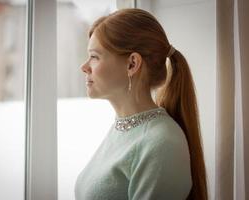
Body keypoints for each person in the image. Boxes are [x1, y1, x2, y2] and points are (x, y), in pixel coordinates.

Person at [75, 8, 207, 200]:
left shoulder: (162, 144)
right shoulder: (123, 129)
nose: (84, 67)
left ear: (132, 64)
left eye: (94, 56)